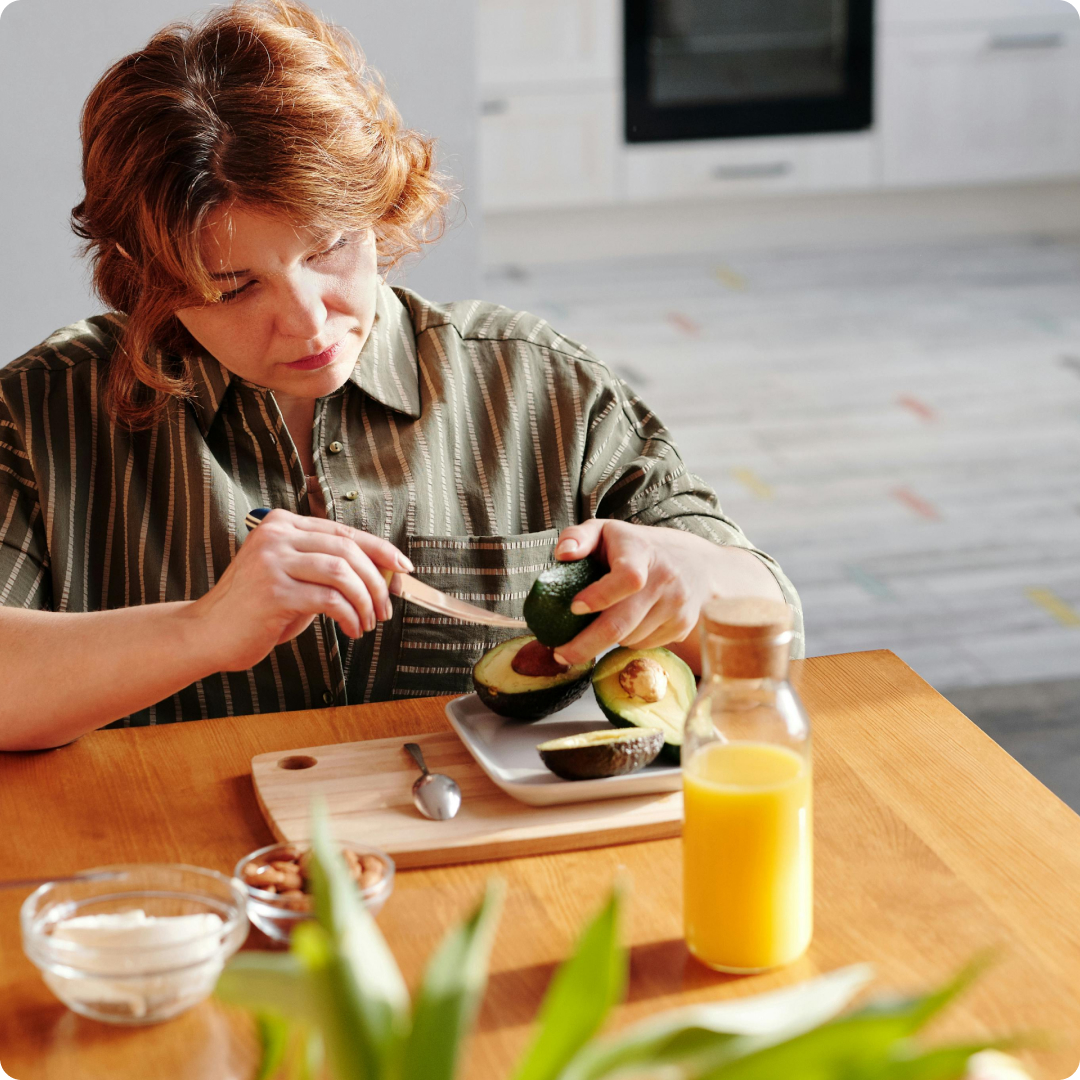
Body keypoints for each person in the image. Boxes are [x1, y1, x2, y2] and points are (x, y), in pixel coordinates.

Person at [0, 0, 802, 751]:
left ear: (381, 209)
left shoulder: (539, 387)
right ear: (150, 285)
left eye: (329, 248)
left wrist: (692, 577)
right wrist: (198, 631)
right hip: (181, 879)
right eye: (235, 286)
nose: (309, 320)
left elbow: (774, 627)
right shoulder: (43, 414)